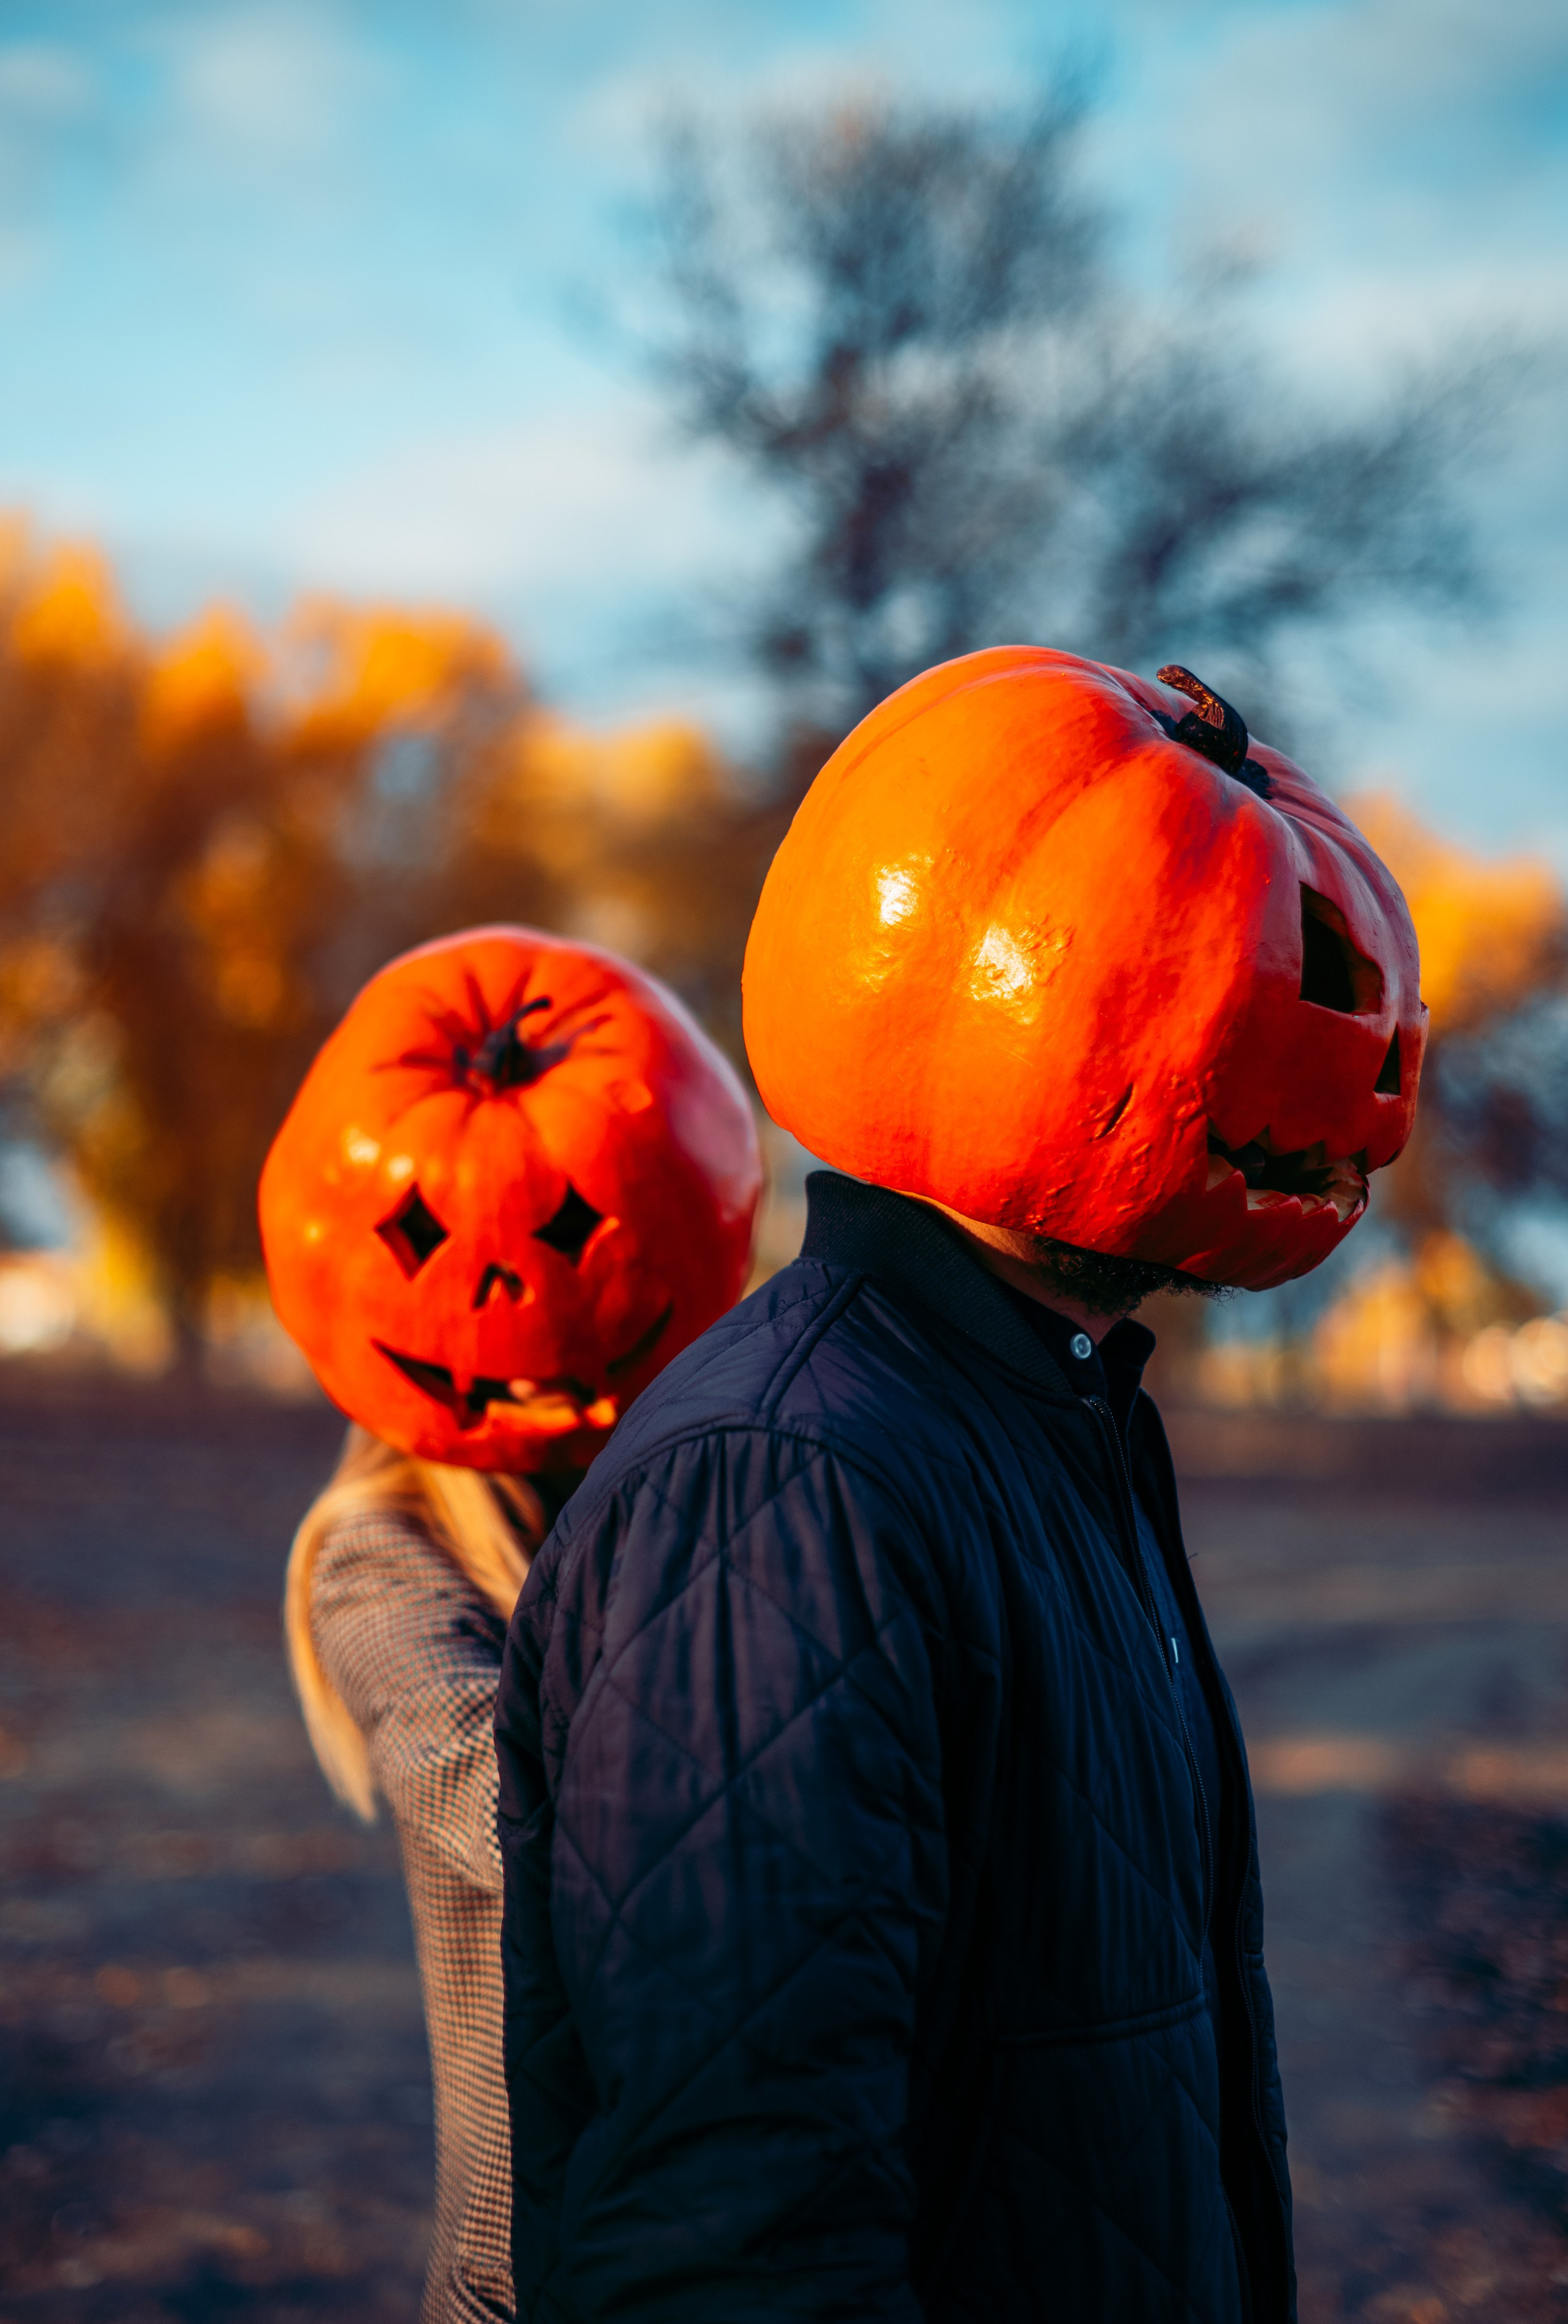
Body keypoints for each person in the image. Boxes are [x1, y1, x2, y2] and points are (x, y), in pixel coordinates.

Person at [493, 651, 1425, 2323]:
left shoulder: (1055, 1421)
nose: (1328, 1069)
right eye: (1205, 979)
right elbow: (737, 2226)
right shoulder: (783, 1486)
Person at [259, 924, 761, 2324]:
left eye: (572, 1225)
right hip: (538, 2261)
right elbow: (527, 1821)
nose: (511, 1289)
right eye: (425, 1235)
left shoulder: (707, 1498)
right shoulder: (377, 1560)